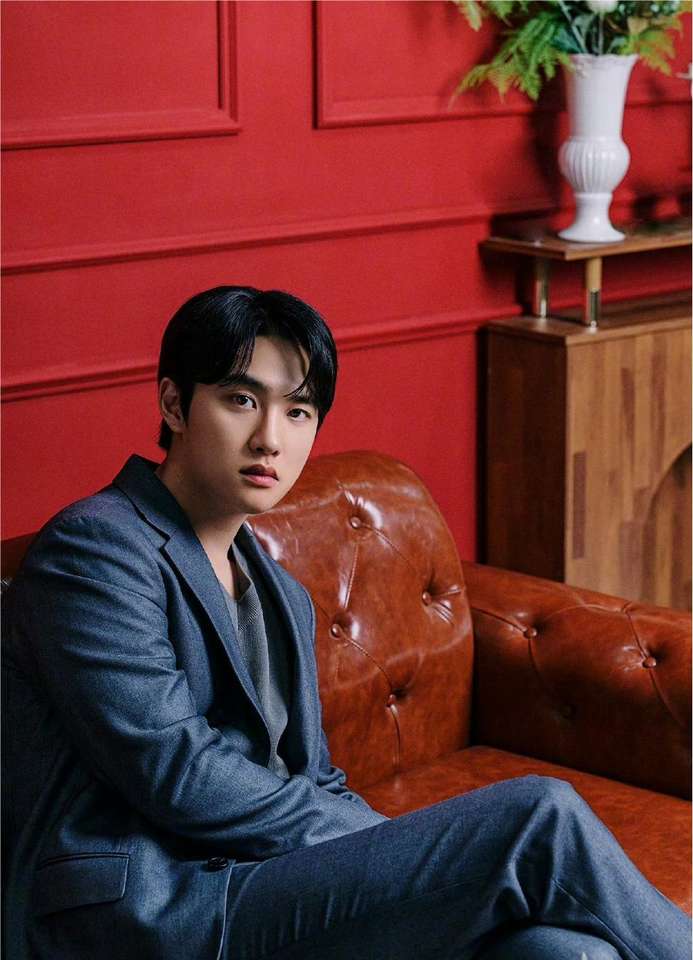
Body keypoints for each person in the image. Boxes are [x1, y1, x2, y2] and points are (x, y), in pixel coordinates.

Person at [2, 286, 689, 960]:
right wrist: (389, 847)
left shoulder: (279, 591)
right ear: (174, 403)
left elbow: (313, 777)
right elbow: (177, 772)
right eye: (241, 400)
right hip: (155, 911)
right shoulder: (96, 550)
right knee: (539, 817)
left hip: (263, 882)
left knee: (558, 949)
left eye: (298, 411)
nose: (269, 439)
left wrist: (396, 860)